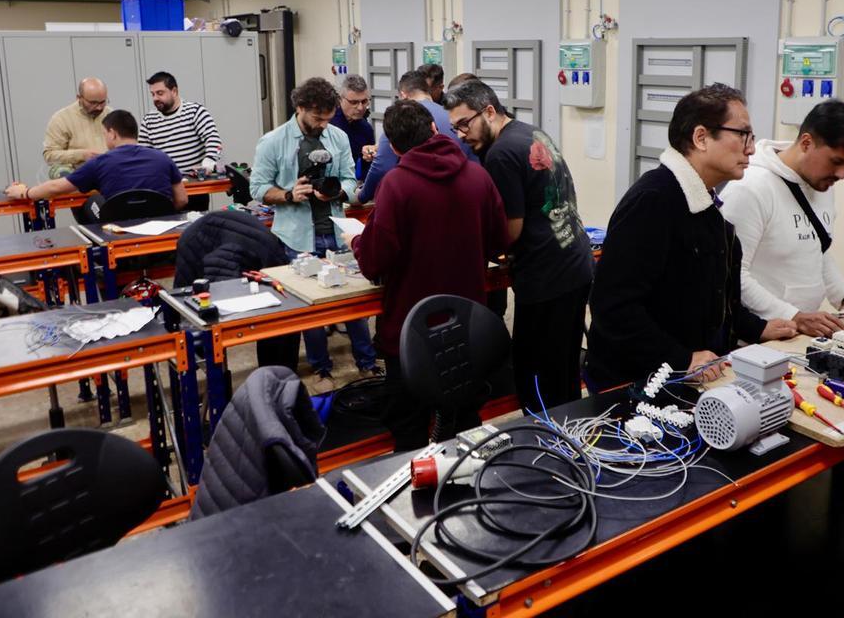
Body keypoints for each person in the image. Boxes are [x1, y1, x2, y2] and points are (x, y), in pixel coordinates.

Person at [584, 85, 797, 392]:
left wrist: (757, 327)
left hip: (694, 376)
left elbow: (709, 293)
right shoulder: (653, 200)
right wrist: (682, 358)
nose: (750, 148)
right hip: (637, 383)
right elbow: (612, 308)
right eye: (742, 135)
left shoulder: (703, 202)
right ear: (701, 138)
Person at [348, 100, 509, 450]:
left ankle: (415, 501)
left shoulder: (396, 185)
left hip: (411, 335)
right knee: (465, 427)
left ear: (394, 147)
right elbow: (499, 241)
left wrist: (357, 241)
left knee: (409, 433)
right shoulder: (477, 175)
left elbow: (375, 262)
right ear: (436, 130)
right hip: (467, 329)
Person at [444, 80, 593, 412]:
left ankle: (544, 446)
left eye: (464, 124)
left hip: (546, 276)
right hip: (575, 262)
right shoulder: (530, 132)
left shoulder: (499, 154)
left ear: (490, 111)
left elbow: (510, 229)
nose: (461, 135)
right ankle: (568, 441)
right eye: (454, 128)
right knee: (565, 369)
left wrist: (478, 249)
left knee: (534, 377)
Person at [249, 77, 379, 392]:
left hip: (337, 232)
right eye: (317, 118)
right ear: (301, 108)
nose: (323, 125)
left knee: (354, 302)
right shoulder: (273, 141)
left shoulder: (336, 136)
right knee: (314, 310)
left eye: (328, 118)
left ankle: (367, 362)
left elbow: (350, 180)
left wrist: (336, 194)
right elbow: (257, 189)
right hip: (296, 237)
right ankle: (322, 369)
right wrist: (289, 194)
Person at [720, 100, 844, 338]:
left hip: (798, 333)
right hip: (755, 338)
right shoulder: (749, 189)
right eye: (837, 162)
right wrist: (794, 316)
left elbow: (816, 249)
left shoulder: (821, 185)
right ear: (807, 143)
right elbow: (730, 275)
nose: (842, 175)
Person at [6, 110, 187, 210]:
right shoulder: (163, 158)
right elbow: (182, 200)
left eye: (104, 134)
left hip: (118, 234)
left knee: (92, 203)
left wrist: (25, 192)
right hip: (163, 231)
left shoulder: (100, 163)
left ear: (112, 133)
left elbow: (55, 187)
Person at [356, 69, 477, 204]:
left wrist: (362, 195)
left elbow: (382, 166)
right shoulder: (453, 117)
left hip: (417, 199)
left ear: (403, 95)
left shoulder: (400, 119)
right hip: (461, 197)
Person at [138, 71, 223, 211]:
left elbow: (214, 140)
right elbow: (144, 155)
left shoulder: (195, 112)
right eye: (152, 94)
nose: (155, 98)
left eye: (160, 93)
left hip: (194, 188)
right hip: (165, 189)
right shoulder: (149, 120)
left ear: (174, 91)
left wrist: (207, 164)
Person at [43, 78, 111, 178]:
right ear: (79, 98)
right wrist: (81, 155)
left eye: (102, 102)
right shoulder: (61, 119)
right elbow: (50, 156)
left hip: (109, 171)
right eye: (93, 103)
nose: (99, 108)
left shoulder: (111, 115)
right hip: (77, 174)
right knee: (62, 173)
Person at [329, 74, 376, 180]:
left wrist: (369, 157)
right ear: (340, 99)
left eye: (364, 101)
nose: (360, 108)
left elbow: (367, 170)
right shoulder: (327, 123)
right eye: (354, 102)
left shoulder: (366, 128)